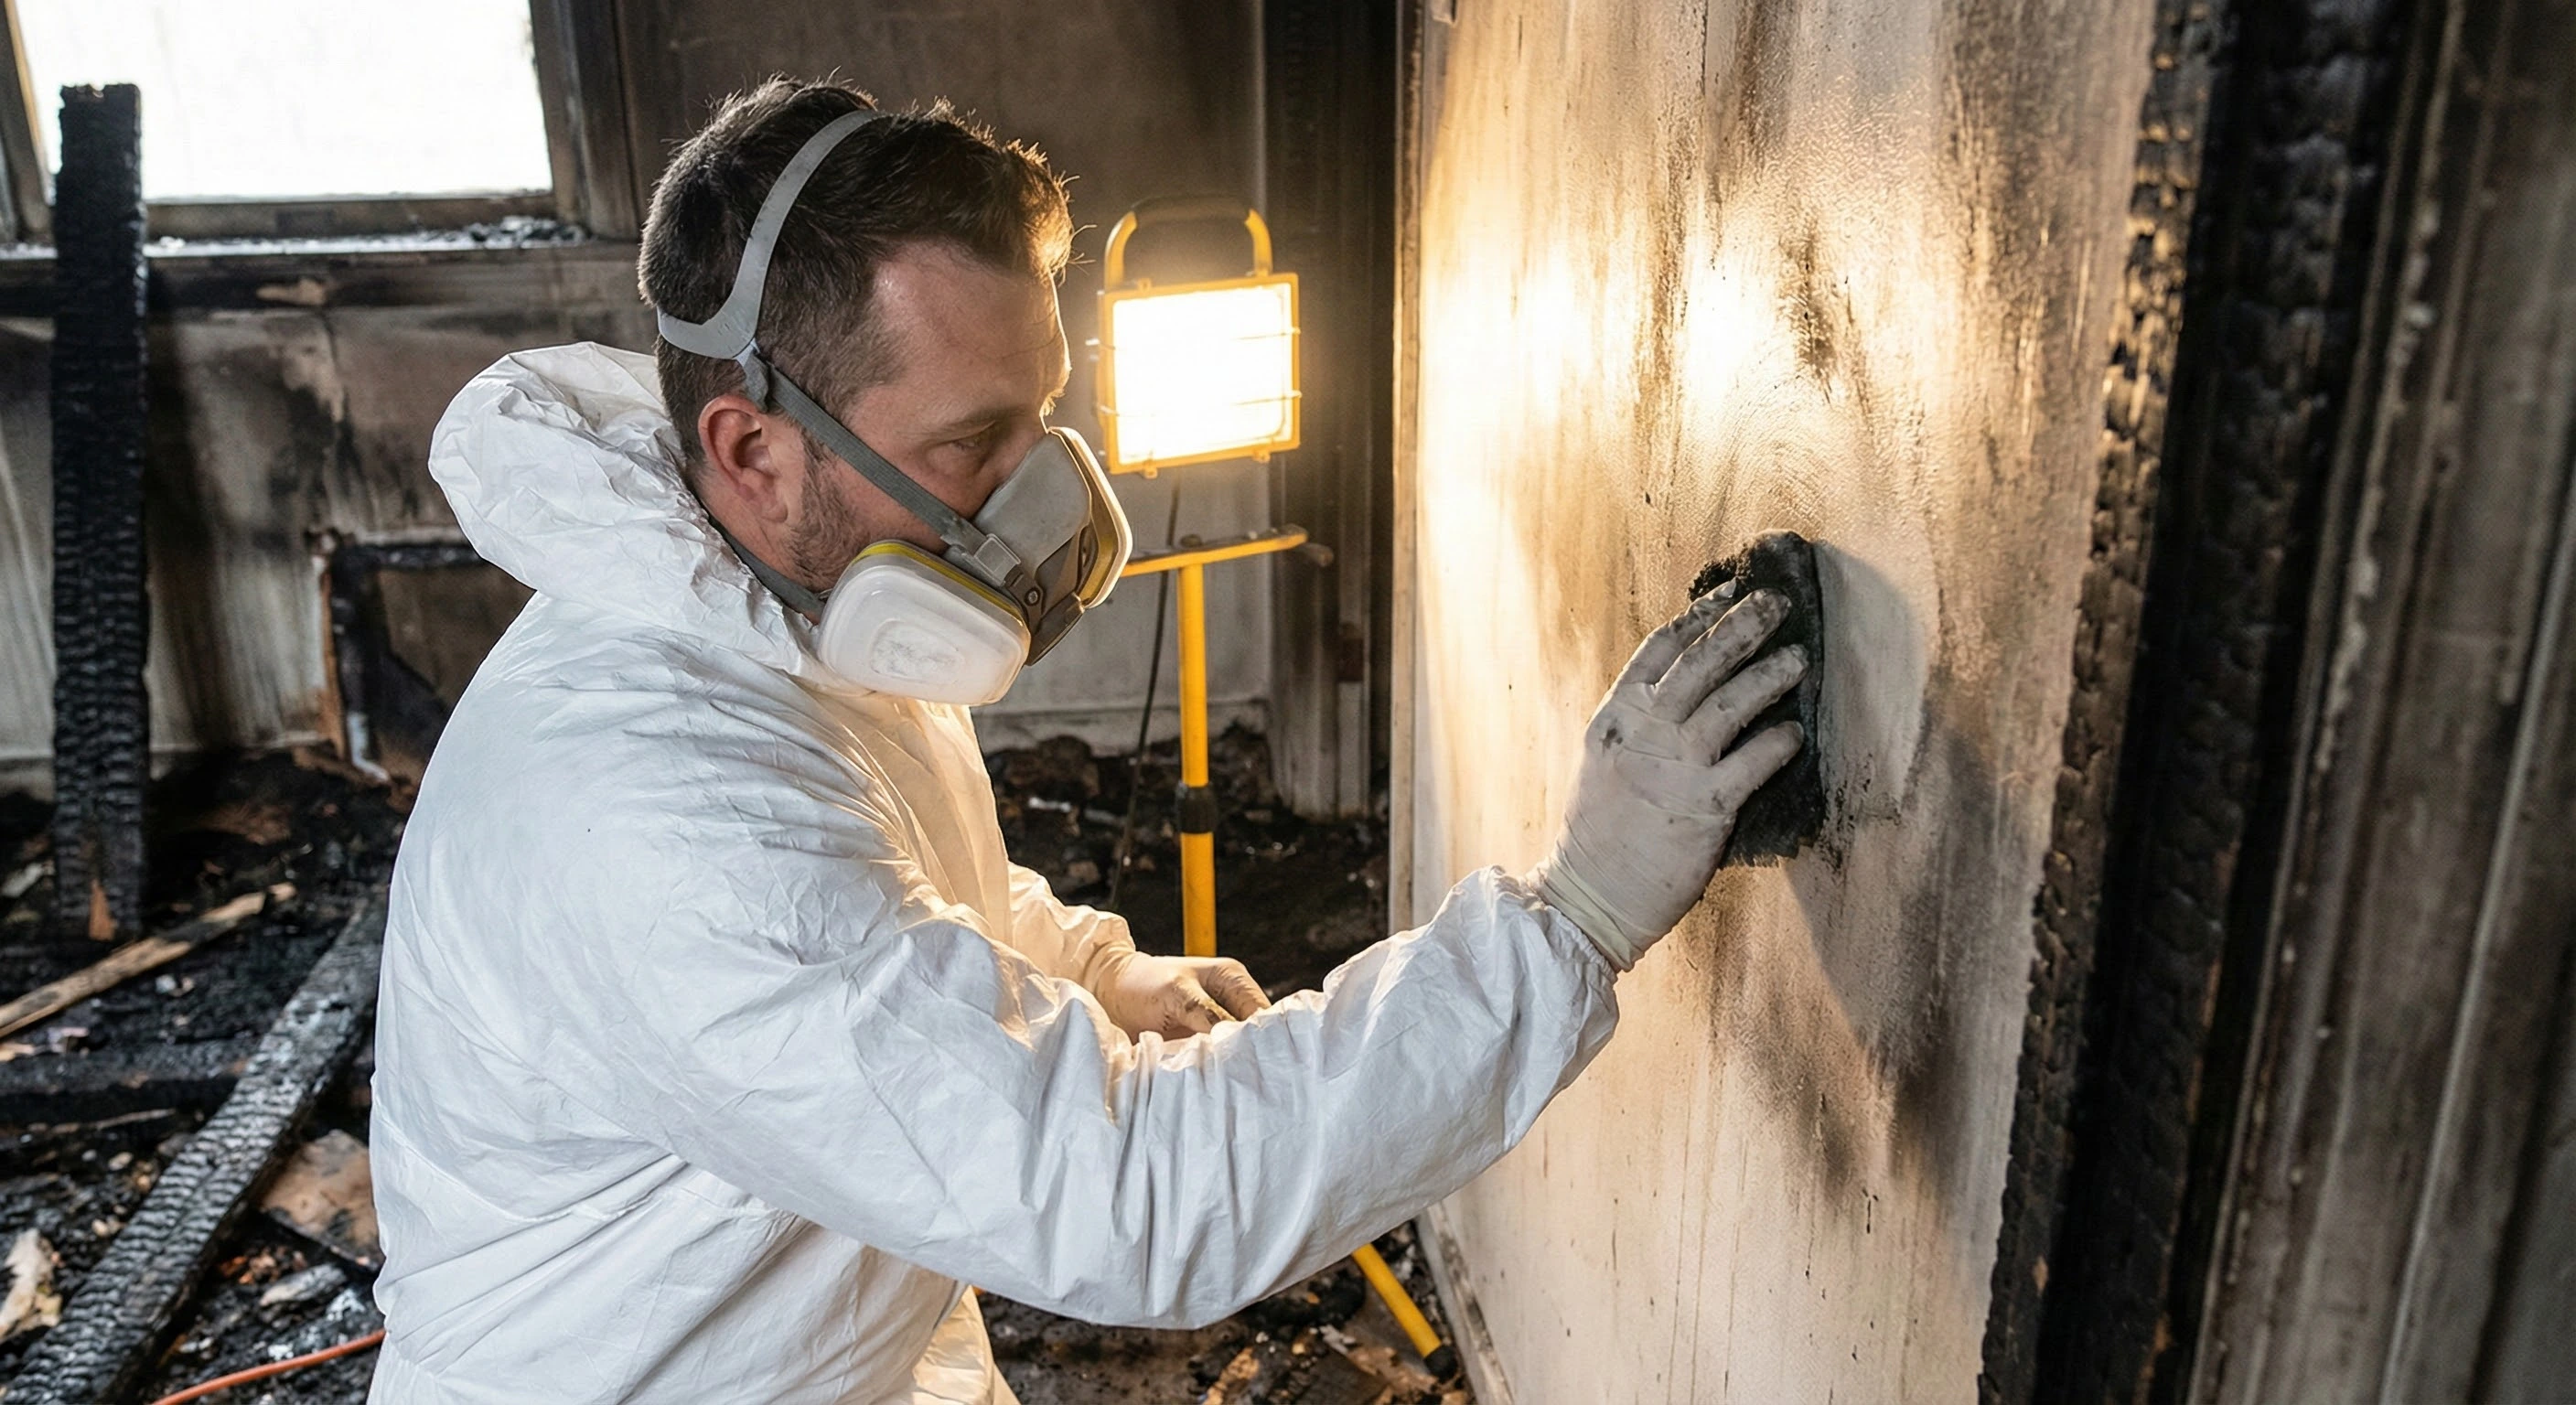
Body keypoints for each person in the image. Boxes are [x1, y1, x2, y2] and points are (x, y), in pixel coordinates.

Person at [367, 78, 1806, 1405]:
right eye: (970, 444)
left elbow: (897, 889)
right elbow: (1131, 1199)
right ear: (753, 449)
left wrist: (1096, 971)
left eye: (1042, 419)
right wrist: (1576, 920)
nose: (1036, 503)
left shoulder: (788, 601)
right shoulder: (664, 819)